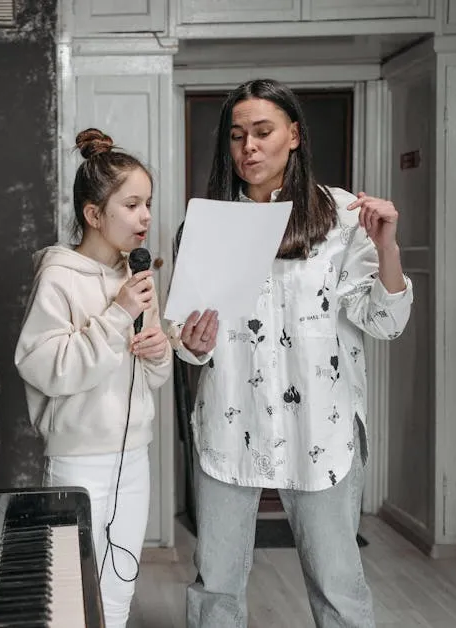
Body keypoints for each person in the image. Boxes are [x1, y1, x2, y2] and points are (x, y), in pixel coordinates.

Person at [170, 79, 413, 627]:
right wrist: (193, 345)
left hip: (320, 426)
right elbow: (186, 343)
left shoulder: (344, 216)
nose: (248, 148)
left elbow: (386, 320)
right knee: (216, 586)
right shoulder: (204, 226)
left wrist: (387, 245)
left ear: (295, 135)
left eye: (262, 132)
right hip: (232, 420)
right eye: (237, 136)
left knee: (338, 585)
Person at [14, 128, 173, 628]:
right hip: (78, 462)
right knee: (74, 597)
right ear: (94, 214)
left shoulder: (136, 277)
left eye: (148, 203)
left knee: (119, 591)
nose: (146, 216)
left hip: (134, 456)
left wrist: (158, 348)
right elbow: (46, 367)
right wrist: (118, 315)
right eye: (132, 204)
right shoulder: (58, 277)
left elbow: (153, 377)